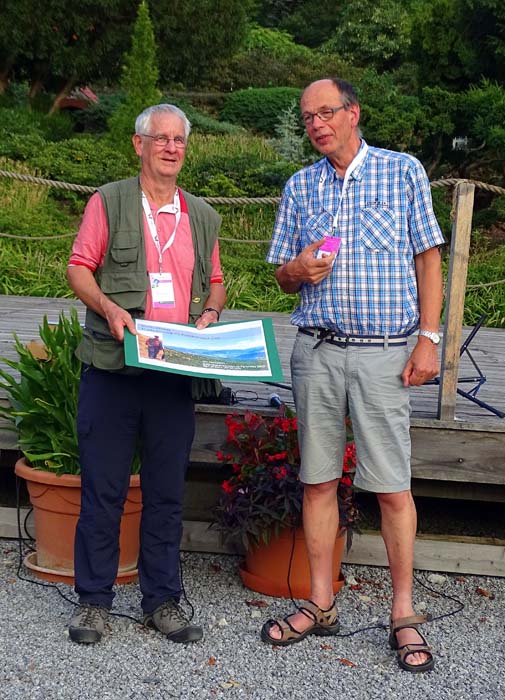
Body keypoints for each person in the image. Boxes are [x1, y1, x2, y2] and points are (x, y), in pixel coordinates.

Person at [262, 78, 444, 673]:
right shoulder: (300, 186)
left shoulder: (402, 171)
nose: (316, 124)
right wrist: (297, 268)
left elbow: (428, 257)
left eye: (326, 112)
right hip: (316, 351)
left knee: (391, 487)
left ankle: (403, 613)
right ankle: (320, 602)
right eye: (307, 117)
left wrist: (429, 340)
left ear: (353, 113)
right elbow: (281, 277)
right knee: (317, 481)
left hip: (384, 354)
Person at [66, 104, 226, 644]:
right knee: (103, 490)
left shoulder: (201, 214)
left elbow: (216, 281)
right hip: (113, 368)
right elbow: (78, 267)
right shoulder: (108, 200)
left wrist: (211, 312)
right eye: (161, 138)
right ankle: (93, 602)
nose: (171, 147)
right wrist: (110, 308)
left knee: (166, 493)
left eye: (179, 139)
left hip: (171, 374)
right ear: (139, 145)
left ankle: (162, 601)